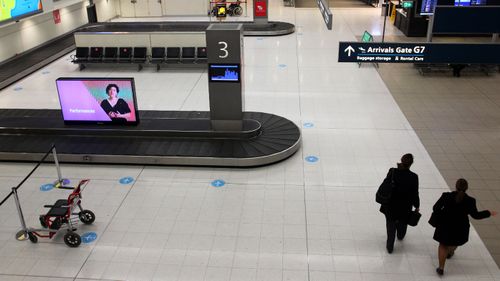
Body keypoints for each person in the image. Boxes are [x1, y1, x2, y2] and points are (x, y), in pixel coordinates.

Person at [433, 178, 497, 276]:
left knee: (443, 245)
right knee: (455, 242)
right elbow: (476, 215)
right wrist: (488, 212)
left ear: (456, 186)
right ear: (466, 188)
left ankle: (441, 268)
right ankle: (450, 252)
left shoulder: (446, 196)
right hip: (460, 227)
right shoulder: (470, 201)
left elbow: (435, 208)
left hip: (445, 225)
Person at [380, 153, 420, 254]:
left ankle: (390, 246)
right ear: (411, 164)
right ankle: (401, 235)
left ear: (401, 160)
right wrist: (417, 205)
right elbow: (415, 193)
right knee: (403, 222)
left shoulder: (393, 171)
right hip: (405, 206)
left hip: (390, 204)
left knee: (390, 223)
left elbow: (386, 184)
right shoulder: (414, 177)